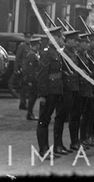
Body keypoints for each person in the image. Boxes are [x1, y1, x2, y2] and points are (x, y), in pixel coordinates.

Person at [36, 26, 66, 158]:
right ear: (53, 38)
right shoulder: (46, 53)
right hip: (48, 91)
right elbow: (42, 75)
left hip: (55, 90)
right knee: (43, 120)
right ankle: (43, 150)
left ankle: (49, 149)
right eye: (60, 37)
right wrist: (42, 95)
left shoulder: (56, 52)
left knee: (47, 119)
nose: (62, 39)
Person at [22, 37, 41, 120]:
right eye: (38, 45)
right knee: (32, 97)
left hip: (34, 79)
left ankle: (30, 113)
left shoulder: (34, 54)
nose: (39, 46)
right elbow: (29, 69)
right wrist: (30, 80)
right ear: (36, 45)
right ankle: (29, 114)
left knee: (33, 97)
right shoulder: (31, 55)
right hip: (33, 80)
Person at [15, 31, 34, 111]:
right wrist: (17, 69)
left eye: (30, 37)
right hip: (23, 69)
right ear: (24, 38)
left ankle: (24, 103)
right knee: (23, 88)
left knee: (28, 88)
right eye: (27, 37)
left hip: (30, 70)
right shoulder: (22, 46)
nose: (28, 39)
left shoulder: (32, 46)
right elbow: (17, 58)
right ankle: (22, 103)